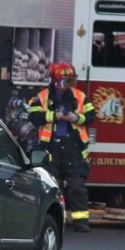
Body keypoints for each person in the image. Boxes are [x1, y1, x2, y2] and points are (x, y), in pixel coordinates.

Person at [28, 62, 96, 233]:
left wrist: (76, 118)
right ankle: (55, 220)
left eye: (69, 81)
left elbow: (91, 116)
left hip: (73, 146)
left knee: (76, 185)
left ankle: (81, 222)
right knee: (52, 185)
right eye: (62, 81)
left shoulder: (79, 96)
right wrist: (54, 116)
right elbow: (34, 116)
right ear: (54, 80)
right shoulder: (42, 96)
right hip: (51, 147)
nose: (65, 85)